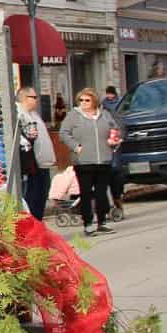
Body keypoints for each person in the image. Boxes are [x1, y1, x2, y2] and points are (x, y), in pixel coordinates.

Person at [59, 87, 121, 235]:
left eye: (87, 100)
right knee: (86, 193)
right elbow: (64, 133)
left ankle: (102, 222)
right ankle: (88, 224)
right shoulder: (73, 115)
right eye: (81, 100)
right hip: (83, 162)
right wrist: (75, 147)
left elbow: (115, 130)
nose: (84, 103)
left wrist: (114, 141)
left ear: (94, 101)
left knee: (101, 193)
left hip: (103, 160)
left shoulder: (104, 115)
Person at [16, 86, 55, 220]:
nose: (36, 100)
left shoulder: (34, 114)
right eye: (34, 97)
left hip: (43, 164)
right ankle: (32, 227)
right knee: (33, 198)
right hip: (32, 165)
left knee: (42, 196)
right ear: (24, 98)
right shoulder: (20, 114)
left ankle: (38, 225)